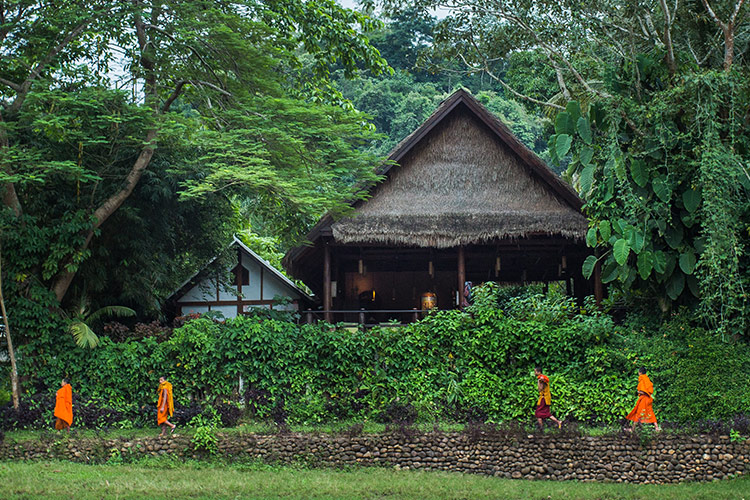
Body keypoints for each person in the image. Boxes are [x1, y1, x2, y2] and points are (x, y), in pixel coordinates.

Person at [626, 367, 661, 432]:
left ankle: (632, 429)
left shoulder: (642, 378)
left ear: (640, 372)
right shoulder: (647, 379)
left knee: (638, 413)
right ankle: (657, 427)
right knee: (650, 412)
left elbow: (643, 391)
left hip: (644, 398)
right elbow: (650, 390)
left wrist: (638, 392)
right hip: (648, 399)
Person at [534, 367, 563, 431]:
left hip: (543, 398)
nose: (534, 373)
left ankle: (541, 429)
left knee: (538, 414)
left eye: (535, 371)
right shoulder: (543, 378)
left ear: (538, 372)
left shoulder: (541, 379)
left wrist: (538, 382)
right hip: (546, 398)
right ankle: (558, 422)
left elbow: (540, 389)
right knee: (547, 413)